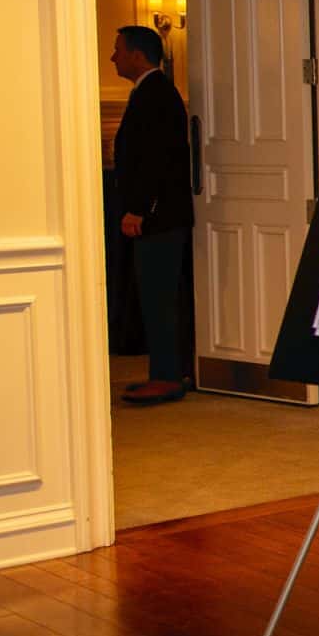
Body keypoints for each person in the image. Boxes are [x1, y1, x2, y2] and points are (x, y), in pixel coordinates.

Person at [111, 25, 193, 406]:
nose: (113, 58)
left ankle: (166, 376)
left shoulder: (155, 95)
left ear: (138, 55)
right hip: (159, 215)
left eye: (118, 51)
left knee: (159, 296)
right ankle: (166, 371)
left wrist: (138, 209)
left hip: (158, 217)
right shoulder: (150, 93)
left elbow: (156, 161)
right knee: (156, 294)